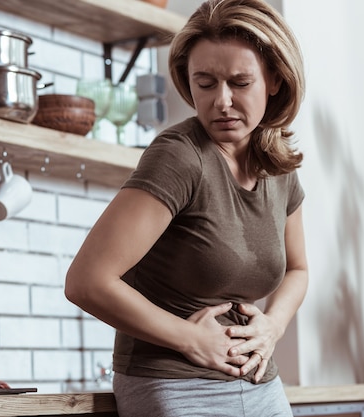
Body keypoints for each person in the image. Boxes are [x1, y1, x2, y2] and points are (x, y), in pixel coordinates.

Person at [64, 0, 308, 415]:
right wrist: (190, 338)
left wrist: (273, 326)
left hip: (261, 383)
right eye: (205, 82)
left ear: (274, 80)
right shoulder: (179, 157)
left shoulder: (275, 164)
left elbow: (298, 270)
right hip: (175, 386)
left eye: (239, 82)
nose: (222, 101)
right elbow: (87, 281)